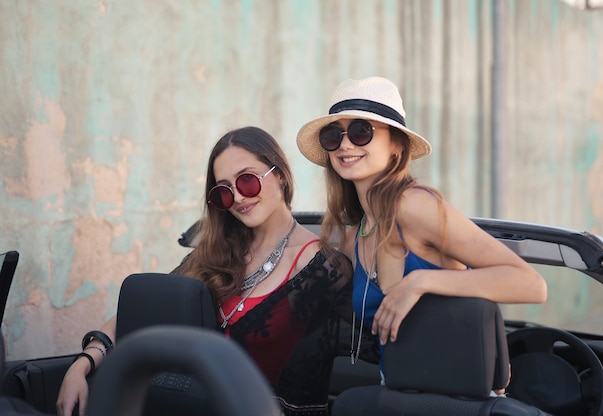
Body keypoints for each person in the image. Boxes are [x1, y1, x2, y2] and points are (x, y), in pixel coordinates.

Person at [57, 126, 353, 416]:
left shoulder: (323, 267)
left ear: (280, 176)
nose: (237, 197)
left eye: (247, 181)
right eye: (224, 191)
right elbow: (141, 313)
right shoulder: (213, 252)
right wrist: (82, 364)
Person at [296, 76, 548, 384]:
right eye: (333, 136)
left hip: (458, 401)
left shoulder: (413, 206)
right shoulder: (355, 237)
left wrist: (421, 281)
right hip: (399, 395)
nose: (346, 144)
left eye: (362, 131)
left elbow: (531, 284)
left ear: (396, 147)